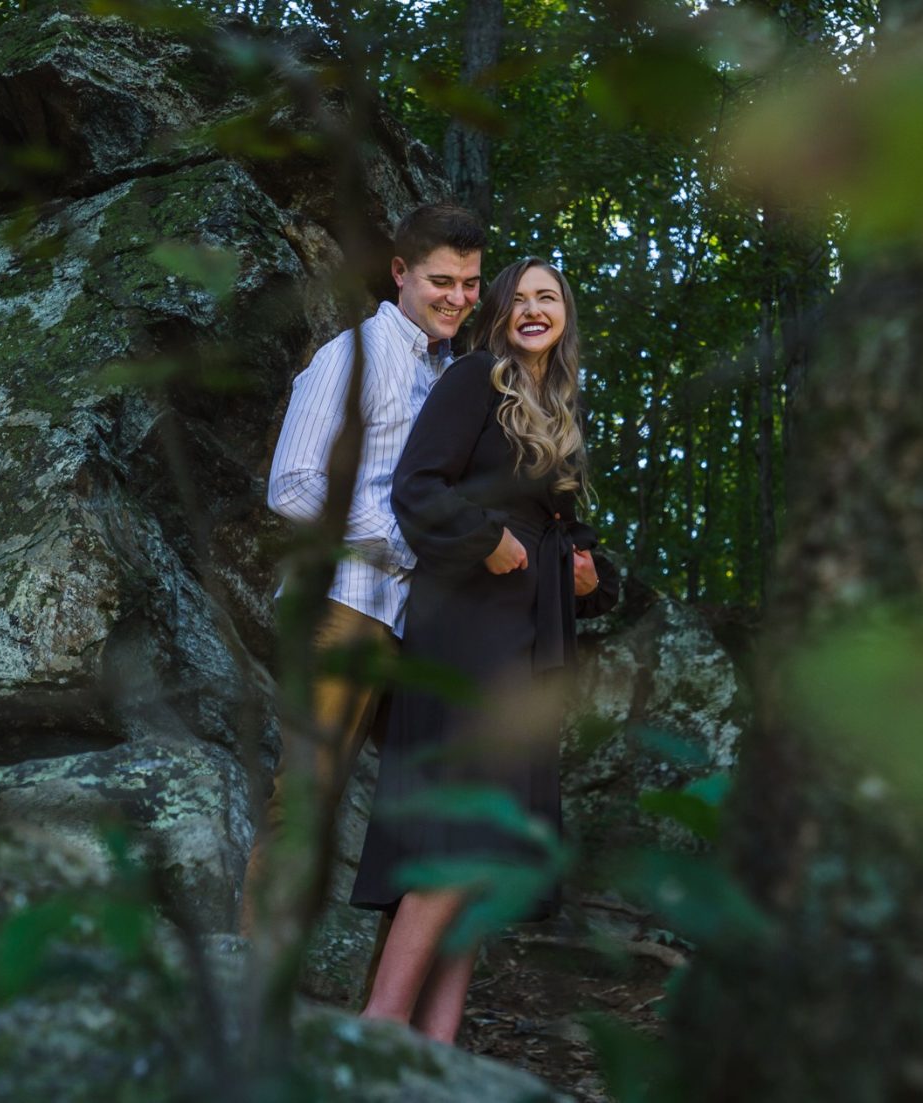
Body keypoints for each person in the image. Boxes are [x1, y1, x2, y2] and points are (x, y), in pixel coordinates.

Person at [349, 256, 620, 1043]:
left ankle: (436, 1052)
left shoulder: (557, 406)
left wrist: (588, 574)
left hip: (527, 637)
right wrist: (487, 538)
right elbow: (418, 487)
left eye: (550, 298)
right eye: (521, 299)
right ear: (498, 313)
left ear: (565, 315)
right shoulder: (474, 380)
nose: (535, 309)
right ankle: (378, 1026)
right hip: (466, 625)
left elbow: (566, 541)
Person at [241, 203, 486, 939]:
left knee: (425, 820)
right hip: (345, 606)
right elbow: (290, 483)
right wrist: (393, 541)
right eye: (443, 280)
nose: (458, 298)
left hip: (419, 628)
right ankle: (248, 984)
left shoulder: (452, 375)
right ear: (401, 272)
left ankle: (378, 1020)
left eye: (472, 284)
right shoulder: (354, 356)